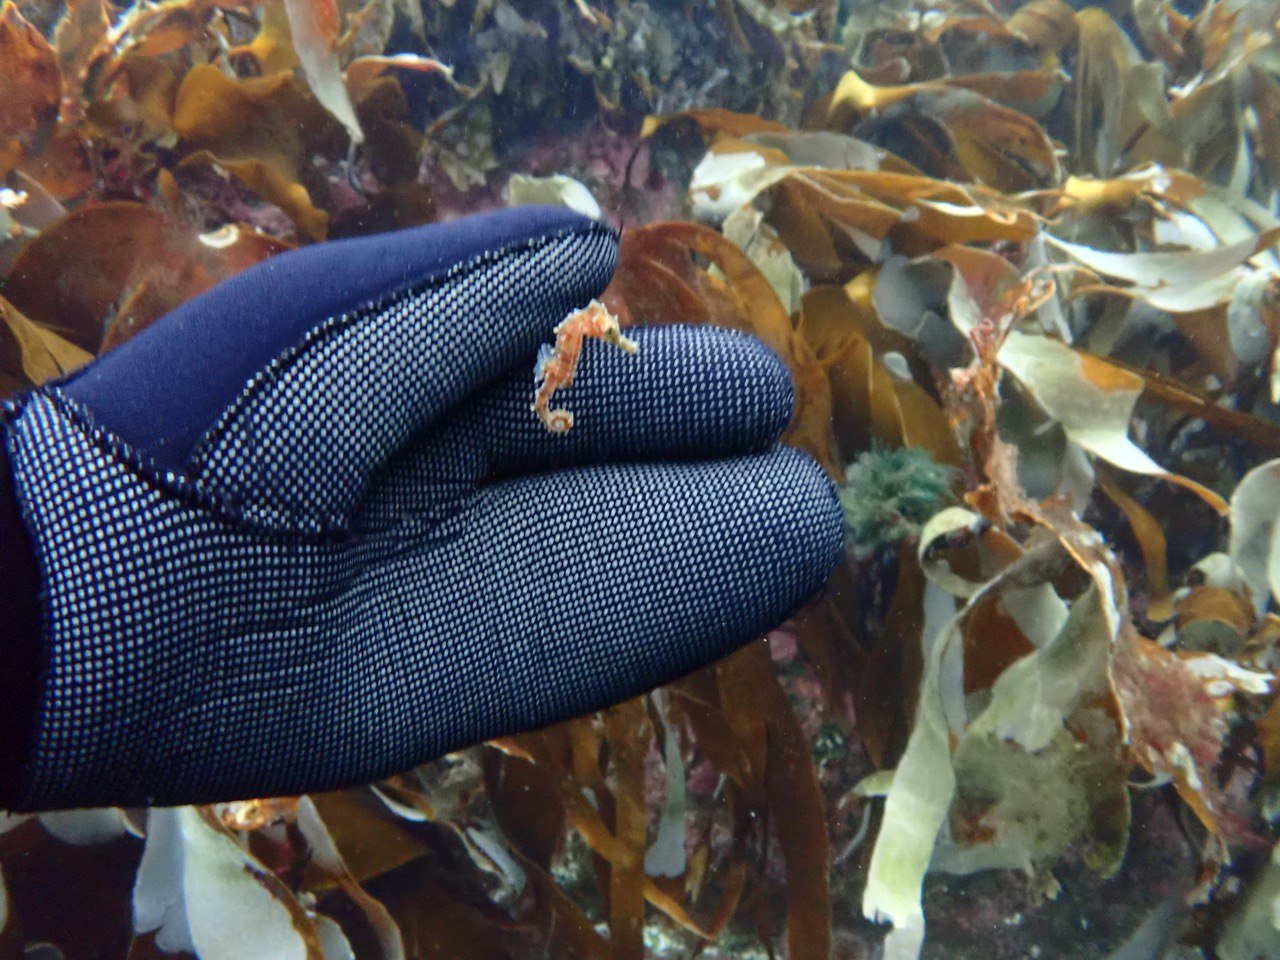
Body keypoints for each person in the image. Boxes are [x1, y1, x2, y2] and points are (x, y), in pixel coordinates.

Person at [0, 206, 842, 812]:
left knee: (758, 479)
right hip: (98, 641)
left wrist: (39, 573)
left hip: (76, 652)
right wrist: (62, 559)